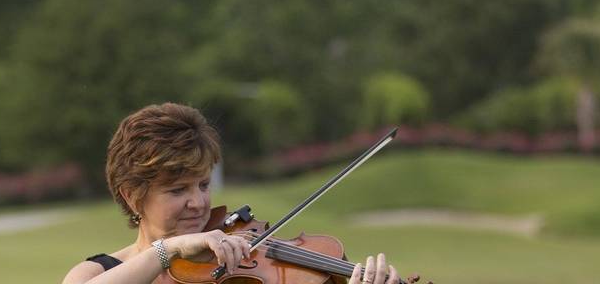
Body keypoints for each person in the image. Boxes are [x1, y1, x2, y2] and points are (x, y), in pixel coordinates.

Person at [62, 102, 402, 284]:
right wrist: (167, 251)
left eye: (204, 185)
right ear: (133, 195)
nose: (198, 203)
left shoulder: (241, 264)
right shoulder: (97, 274)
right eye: (178, 189)